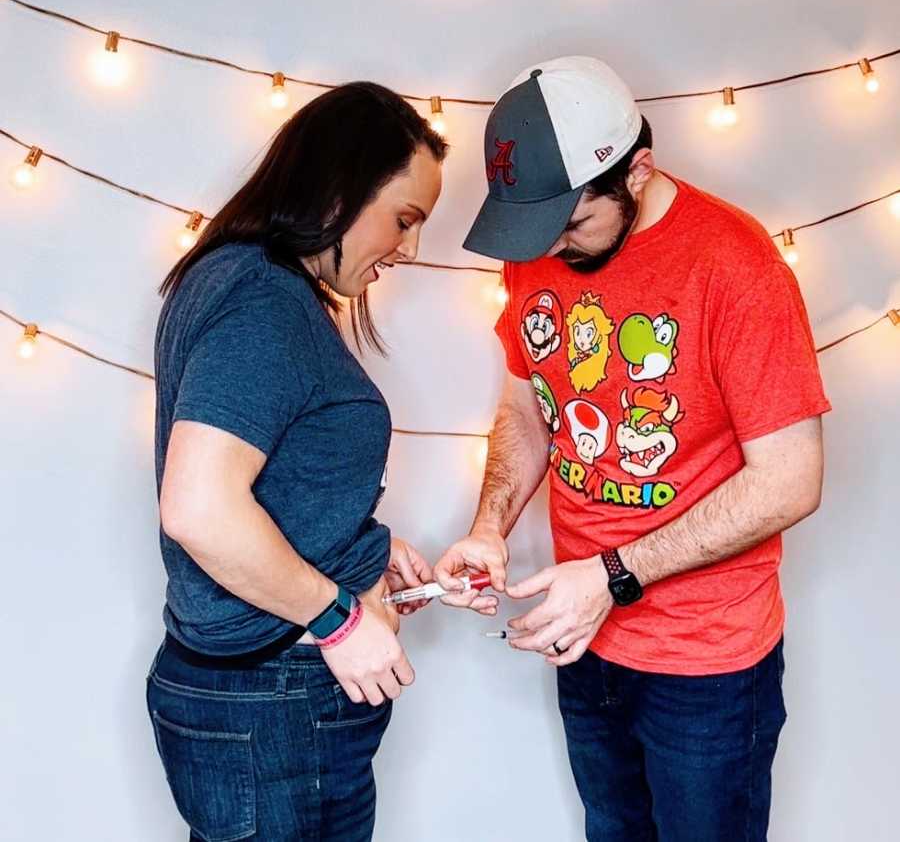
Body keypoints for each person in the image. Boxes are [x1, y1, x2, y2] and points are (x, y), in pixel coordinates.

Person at [435, 56, 830, 841]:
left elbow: (792, 479)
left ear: (638, 172)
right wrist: (489, 527)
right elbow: (528, 402)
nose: (551, 246)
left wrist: (613, 576)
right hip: (583, 643)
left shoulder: (737, 267)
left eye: (571, 223)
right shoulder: (536, 248)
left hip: (707, 665)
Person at [146, 81, 446, 841]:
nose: (408, 249)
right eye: (404, 219)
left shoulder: (239, 276)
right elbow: (198, 505)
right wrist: (339, 618)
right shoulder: (264, 305)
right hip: (272, 701)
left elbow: (273, 478)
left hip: (261, 701)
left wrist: (372, 549)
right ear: (341, 188)